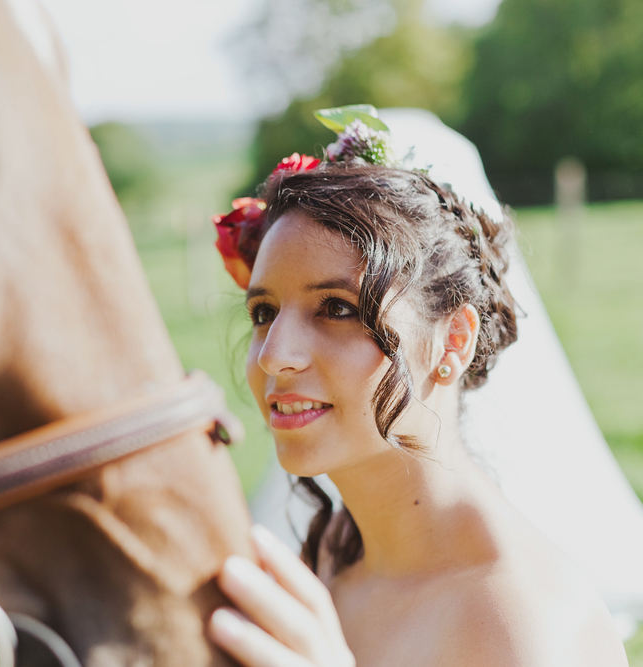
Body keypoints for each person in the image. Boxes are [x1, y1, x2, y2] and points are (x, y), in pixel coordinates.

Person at [206, 107, 628, 666]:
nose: (274, 356)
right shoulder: (320, 560)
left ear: (454, 341)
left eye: (335, 308)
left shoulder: (527, 625)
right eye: (264, 311)